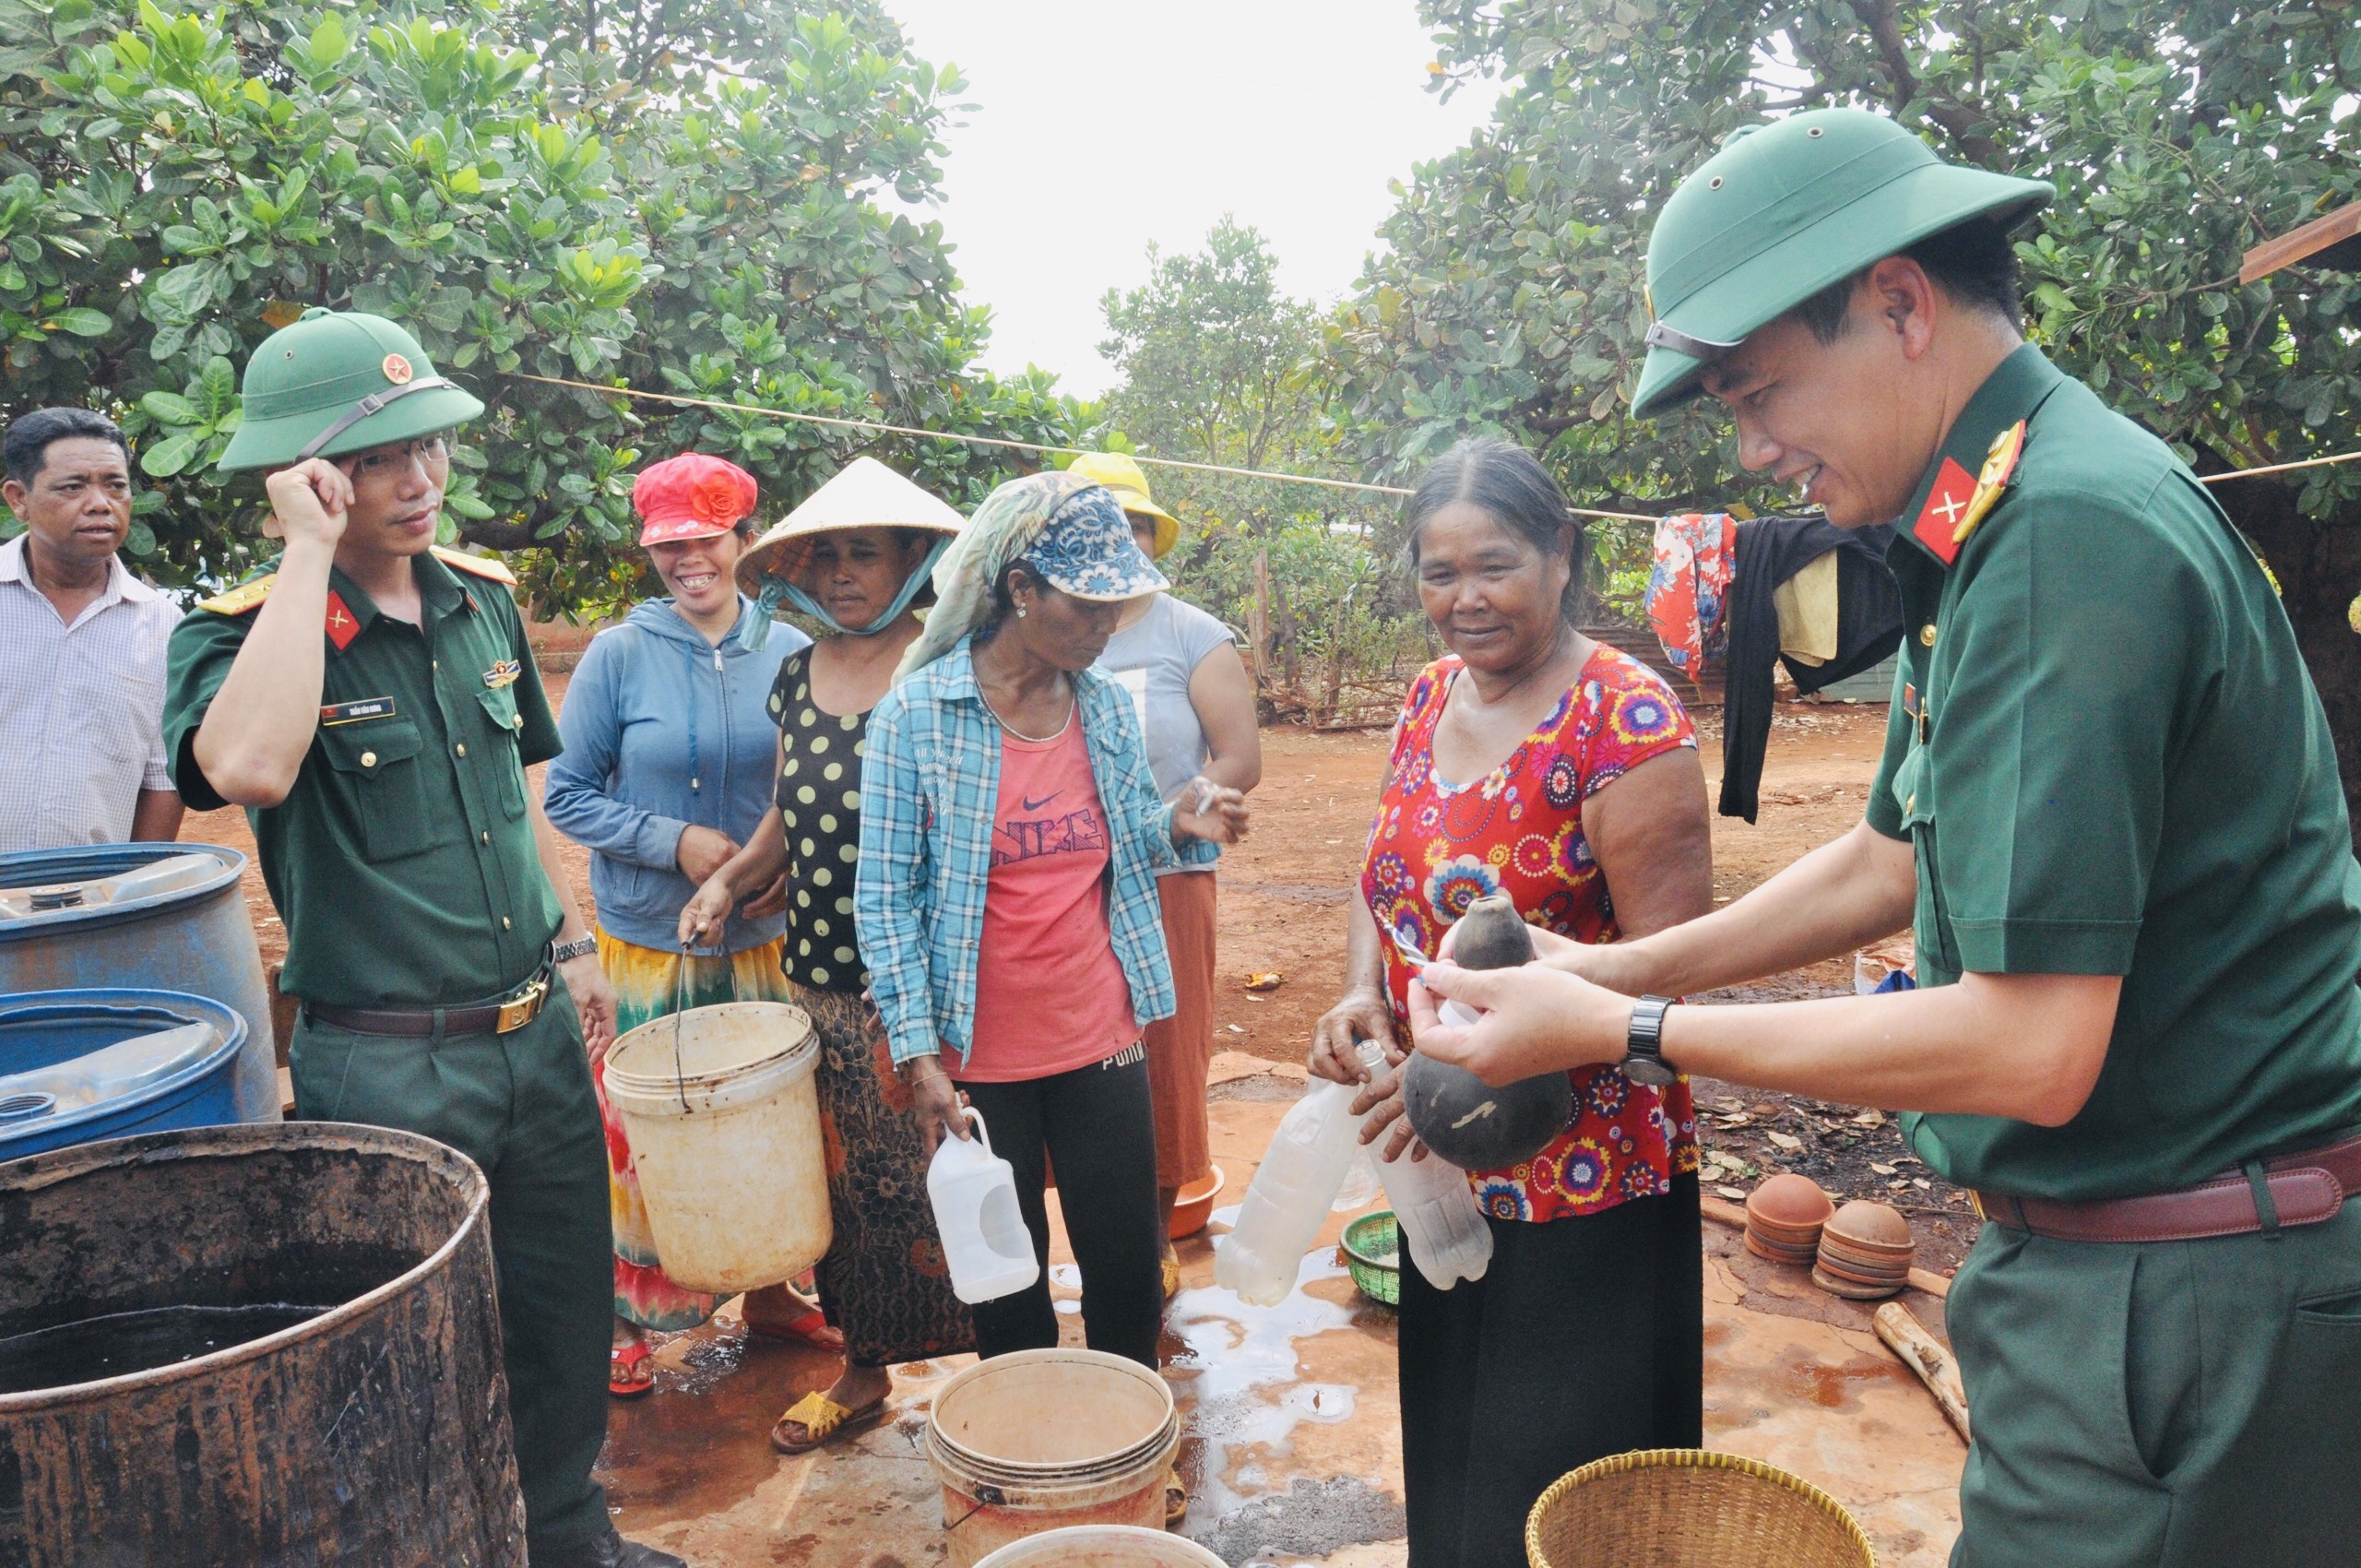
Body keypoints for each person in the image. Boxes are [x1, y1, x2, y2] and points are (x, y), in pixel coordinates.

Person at [1407, 110, 2361, 1568]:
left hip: (2190, 1287)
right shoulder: (1983, 518)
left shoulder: (2061, 536)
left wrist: (1629, 1027)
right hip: (2127, 1261)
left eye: (1758, 390)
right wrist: (1607, 969)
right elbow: (1887, 860)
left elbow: (2033, 1046)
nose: (1751, 446)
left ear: (1900, 303)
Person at [160, 309, 677, 1568]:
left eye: (430, 449)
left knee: (562, 1314)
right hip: (390, 1064)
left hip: (533, 1039)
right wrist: (303, 558)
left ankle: (568, 1540)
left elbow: (519, 807)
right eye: (382, 458)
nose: (420, 481)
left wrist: (575, 947)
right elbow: (247, 768)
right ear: (308, 471)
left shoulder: (484, 606)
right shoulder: (238, 634)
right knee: (414, 1347)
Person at [1307, 436, 1713, 1568]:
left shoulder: (1621, 719)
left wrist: (1482, 1060)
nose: (1464, 599)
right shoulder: (1429, 694)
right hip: (1441, 1156)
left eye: (1493, 565)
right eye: (1439, 573)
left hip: (1582, 1171)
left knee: (1556, 1485)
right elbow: (1379, 880)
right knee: (1454, 1451)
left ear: (1560, 552)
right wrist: (1362, 995)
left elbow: (1668, 971)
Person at [854, 471, 1249, 1378]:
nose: (1105, 626)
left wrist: (1173, 823)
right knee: (1006, 1274)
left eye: (1117, 604)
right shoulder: (916, 716)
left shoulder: (1101, 703)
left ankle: (1123, 1439)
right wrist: (920, 1059)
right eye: (1085, 603)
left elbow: (1114, 838)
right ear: (1020, 589)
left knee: (1124, 1267)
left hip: (1100, 1035)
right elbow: (884, 897)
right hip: (979, 1052)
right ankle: (1033, 1447)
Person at [676, 455, 978, 1455]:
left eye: (867, 553)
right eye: (830, 555)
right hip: (818, 976)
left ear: (911, 562)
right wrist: (726, 880)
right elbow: (784, 809)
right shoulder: (798, 674)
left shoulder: (947, 668)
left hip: (930, 985)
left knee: (960, 1174)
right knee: (847, 1186)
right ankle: (863, 1367)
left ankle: (1005, 1373)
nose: (846, 573)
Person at [542, 452, 836, 1402]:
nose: (686, 561)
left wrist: (770, 856)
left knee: (765, 1120)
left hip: (766, 934)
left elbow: (808, 781)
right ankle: (628, 1309)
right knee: (643, 1131)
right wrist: (671, 841)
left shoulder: (792, 649)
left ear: (744, 539)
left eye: (704, 541)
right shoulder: (619, 653)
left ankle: (773, 1290)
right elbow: (567, 794)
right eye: (668, 546)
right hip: (646, 936)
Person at [1078, 451, 1262, 1296]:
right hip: (1062, 879)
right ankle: (1088, 1219)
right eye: (1095, 527)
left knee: (1160, 1051)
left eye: (1132, 526)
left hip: (1167, 877)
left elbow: (1239, 757)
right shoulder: (1051, 629)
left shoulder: (1192, 633)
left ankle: (1149, 1234)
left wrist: (1183, 810)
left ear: (1152, 538)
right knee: (1074, 1050)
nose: (1117, 542)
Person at [0, 408, 183, 851]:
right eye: (73, 486)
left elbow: (164, 778)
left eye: (115, 485)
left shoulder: (162, 626)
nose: (101, 503)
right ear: (18, 499)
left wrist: (129, 885)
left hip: (93, 900)